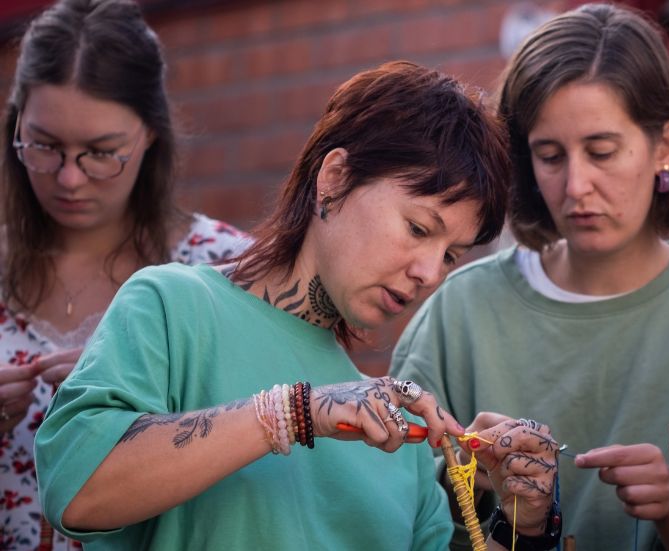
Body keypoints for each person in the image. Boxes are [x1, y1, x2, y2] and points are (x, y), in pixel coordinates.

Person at [34, 59, 560, 550]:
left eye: (451, 256)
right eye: (418, 228)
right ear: (333, 179)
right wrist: (293, 413)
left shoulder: (402, 440)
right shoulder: (174, 307)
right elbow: (76, 488)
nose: (428, 272)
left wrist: (524, 525)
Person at [390, 4, 669, 550]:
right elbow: (398, 521)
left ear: (664, 147)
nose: (576, 186)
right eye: (549, 155)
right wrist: (508, 516)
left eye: (602, 151)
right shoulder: (458, 315)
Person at [0, 1, 248, 549]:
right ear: (16, 122)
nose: (68, 177)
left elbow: (266, 457)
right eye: (43, 146)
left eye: (100, 152)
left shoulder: (225, 268)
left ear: (151, 135)